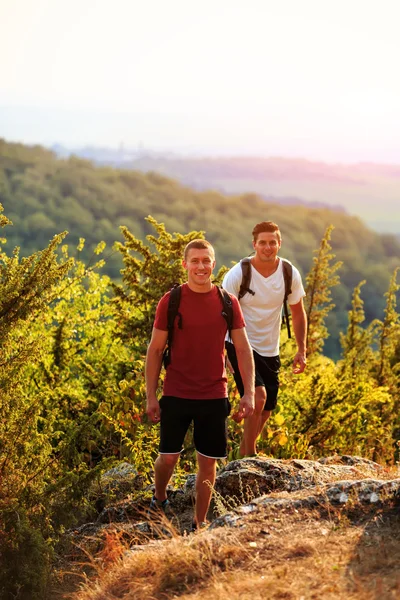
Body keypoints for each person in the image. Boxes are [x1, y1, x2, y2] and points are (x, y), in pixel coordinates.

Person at [145, 239, 255, 529]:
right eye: (195, 261)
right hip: (176, 392)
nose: (201, 266)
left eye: (206, 261)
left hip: (214, 394)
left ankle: (200, 523)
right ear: (185, 265)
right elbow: (155, 350)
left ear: (213, 264)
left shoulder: (227, 303)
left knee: (208, 463)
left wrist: (249, 394)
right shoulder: (172, 301)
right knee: (168, 457)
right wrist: (151, 396)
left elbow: (243, 349)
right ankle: (159, 497)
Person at [222, 221, 307, 457]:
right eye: (263, 243)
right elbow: (220, 315)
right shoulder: (239, 273)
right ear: (254, 245)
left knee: (267, 407)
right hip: (239, 345)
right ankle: (249, 456)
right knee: (258, 397)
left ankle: (243, 450)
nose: (267, 247)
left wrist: (302, 350)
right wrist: (222, 353)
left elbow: (298, 313)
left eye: (272, 242)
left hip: (270, 349)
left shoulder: (289, 273)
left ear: (279, 244)